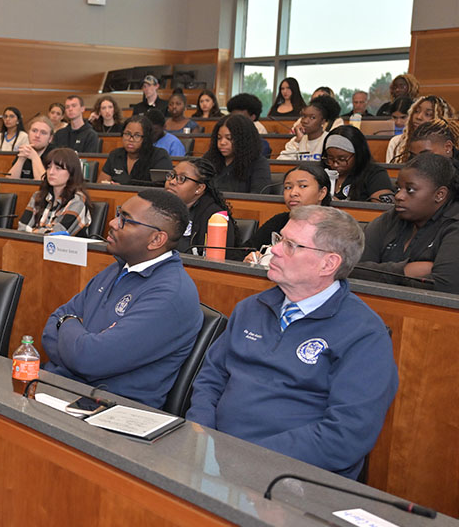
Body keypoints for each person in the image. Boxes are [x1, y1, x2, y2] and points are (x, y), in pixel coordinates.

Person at [186, 205, 399, 480]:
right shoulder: (251, 307)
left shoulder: (364, 334)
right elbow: (211, 378)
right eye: (279, 239)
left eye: (291, 245)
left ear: (328, 264)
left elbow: (345, 435)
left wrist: (245, 458)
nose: (273, 250)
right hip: (216, 459)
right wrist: (200, 434)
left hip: (293, 476)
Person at [41, 189, 203, 409]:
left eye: (125, 220)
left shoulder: (171, 294)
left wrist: (68, 323)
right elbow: (50, 329)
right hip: (62, 390)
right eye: (119, 214)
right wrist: (75, 334)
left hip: (108, 413)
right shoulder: (117, 268)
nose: (113, 223)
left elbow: (89, 360)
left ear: (156, 239)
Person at [355, 153, 459, 298]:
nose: (398, 196)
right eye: (398, 188)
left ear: (440, 194)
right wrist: (404, 271)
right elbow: (350, 267)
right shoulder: (393, 217)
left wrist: (384, 273)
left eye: (410, 190)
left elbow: (446, 292)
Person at [244, 163, 332, 266]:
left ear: (322, 193)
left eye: (303, 186)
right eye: (288, 187)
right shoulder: (279, 221)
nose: (293, 193)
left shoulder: (333, 227)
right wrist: (252, 257)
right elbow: (241, 251)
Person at [163, 158, 237, 256]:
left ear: (199, 188)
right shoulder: (159, 208)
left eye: (182, 178)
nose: (172, 181)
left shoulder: (214, 218)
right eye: (172, 175)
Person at [16, 148, 92, 236]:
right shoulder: (37, 196)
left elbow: (58, 234)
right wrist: (41, 232)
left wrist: (32, 231)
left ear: (72, 172)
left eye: (58, 168)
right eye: (48, 167)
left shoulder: (77, 200)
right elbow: (21, 229)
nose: (51, 172)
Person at [408, 118, 459, 201]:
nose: (419, 160)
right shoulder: (414, 166)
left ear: (448, 147)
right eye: (413, 156)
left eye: (426, 154)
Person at [203, 114, 272, 194]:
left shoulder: (259, 164)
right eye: (219, 138)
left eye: (229, 138)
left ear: (243, 140)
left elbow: (258, 198)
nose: (222, 143)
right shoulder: (209, 159)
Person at [323, 126, 393, 203]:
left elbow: (382, 208)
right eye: (330, 158)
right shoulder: (321, 171)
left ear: (358, 155)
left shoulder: (375, 174)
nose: (335, 164)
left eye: (342, 159)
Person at [99, 114, 172, 186]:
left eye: (137, 135)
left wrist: (124, 188)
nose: (130, 139)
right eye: (127, 134)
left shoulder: (159, 156)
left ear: (146, 138)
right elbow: (101, 185)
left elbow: (162, 189)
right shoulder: (115, 155)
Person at [386, 95, 456, 164]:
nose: (419, 117)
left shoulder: (444, 145)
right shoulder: (396, 142)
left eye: (428, 114)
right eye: (416, 111)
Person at [279, 95, 341, 160]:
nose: (305, 121)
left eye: (312, 117)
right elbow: (281, 163)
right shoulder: (296, 140)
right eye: (304, 116)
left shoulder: (329, 140)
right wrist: (297, 141)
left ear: (323, 121)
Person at [6, 114, 55, 180]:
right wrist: (21, 160)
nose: (37, 135)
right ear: (28, 133)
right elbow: (9, 183)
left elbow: (44, 184)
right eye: (34, 131)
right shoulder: (24, 151)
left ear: (50, 138)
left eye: (43, 133)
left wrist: (34, 157)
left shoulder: (56, 155)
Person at [226, 92, 271, 157]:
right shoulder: (224, 139)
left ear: (252, 117)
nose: (235, 121)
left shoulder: (262, 145)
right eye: (232, 117)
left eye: (240, 118)